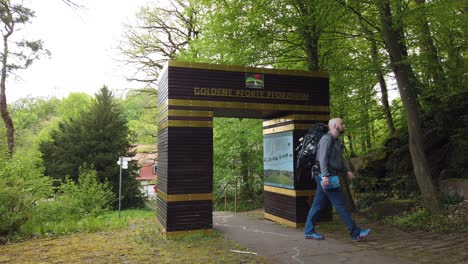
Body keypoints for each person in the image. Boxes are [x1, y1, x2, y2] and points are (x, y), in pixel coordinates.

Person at [303, 118, 371, 242]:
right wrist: (325, 176)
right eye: (342, 124)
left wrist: (347, 170)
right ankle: (355, 233)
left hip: (328, 175)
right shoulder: (326, 139)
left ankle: (308, 231)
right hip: (325, 176)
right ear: (335, 126)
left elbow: (339, 159)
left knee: (317, 205)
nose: (344, 126)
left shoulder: (336, 141)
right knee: (340, 205)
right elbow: (322, 159)